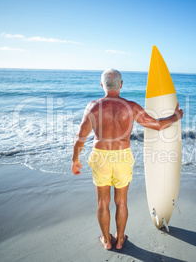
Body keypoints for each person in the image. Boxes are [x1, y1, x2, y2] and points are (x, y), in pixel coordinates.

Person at [71, 69, 183, 250]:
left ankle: (107, 240)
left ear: (102, 85)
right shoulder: (131, 107)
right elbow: (157, 125)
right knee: (121, 201)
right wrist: (175, 116)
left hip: (100, 156)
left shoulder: (93, 107)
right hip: (123, 156)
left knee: (102, 201)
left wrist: (75, 160)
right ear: (121, 85)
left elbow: (80, 137)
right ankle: (120, 239)